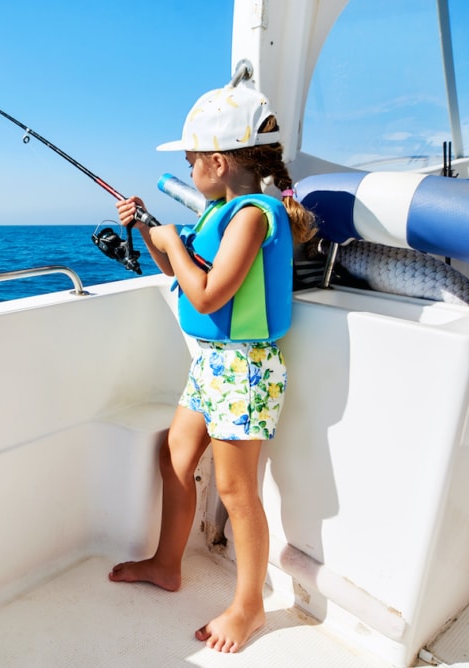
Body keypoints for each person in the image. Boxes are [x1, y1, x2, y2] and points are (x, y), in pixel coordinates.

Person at [107, 82, 315, 654]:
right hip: (213, 365)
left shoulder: (252, 216)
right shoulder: (222, 211)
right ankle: (166, 562)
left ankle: (249, 607)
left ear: (219, 162)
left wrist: (172, 241)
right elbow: (185, 276)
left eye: (192, 159)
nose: (190, 168)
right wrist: (154, 233)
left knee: (234, 487)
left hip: (244, 368)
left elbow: (207, 298)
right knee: (172, 453)